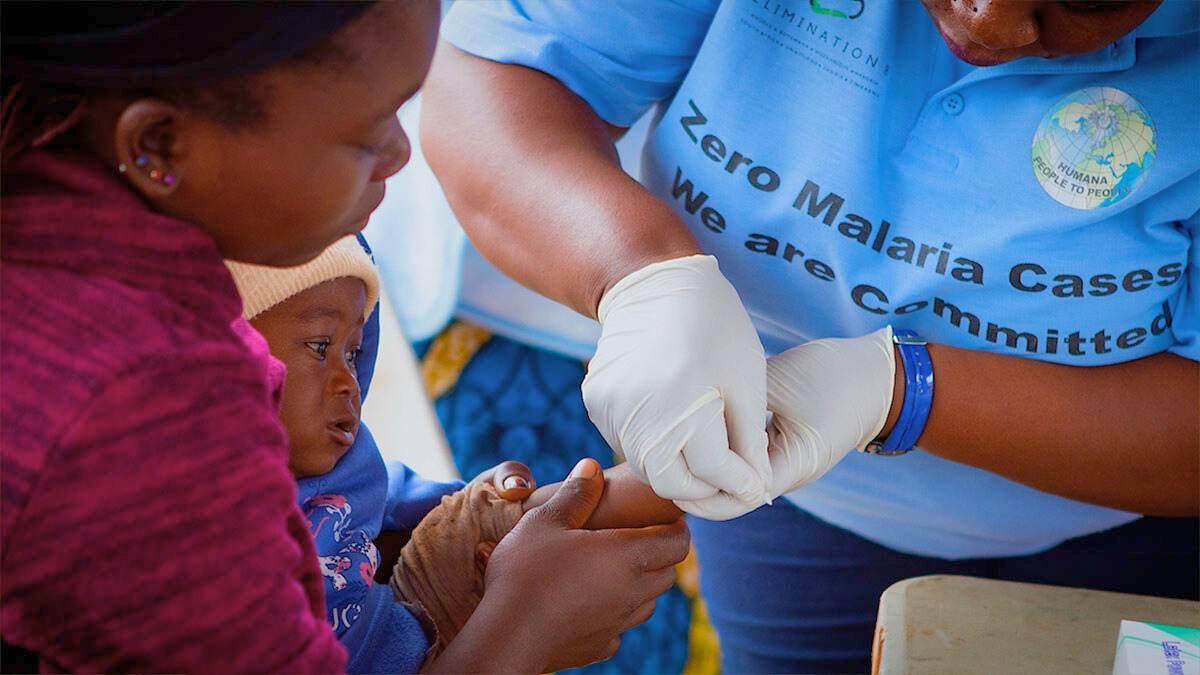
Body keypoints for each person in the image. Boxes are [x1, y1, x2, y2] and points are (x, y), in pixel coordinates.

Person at [417, 0, 1200, 671]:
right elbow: (499, 77)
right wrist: (640, 276)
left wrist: (899, 389)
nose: (990, 20)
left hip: (1140, 541)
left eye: (1083, 1)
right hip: (802, 518)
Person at [0, 3, 689, 672]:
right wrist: (527, 625)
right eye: (367, 134)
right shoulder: (141, 401)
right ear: (159, 146)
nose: (400, 152)